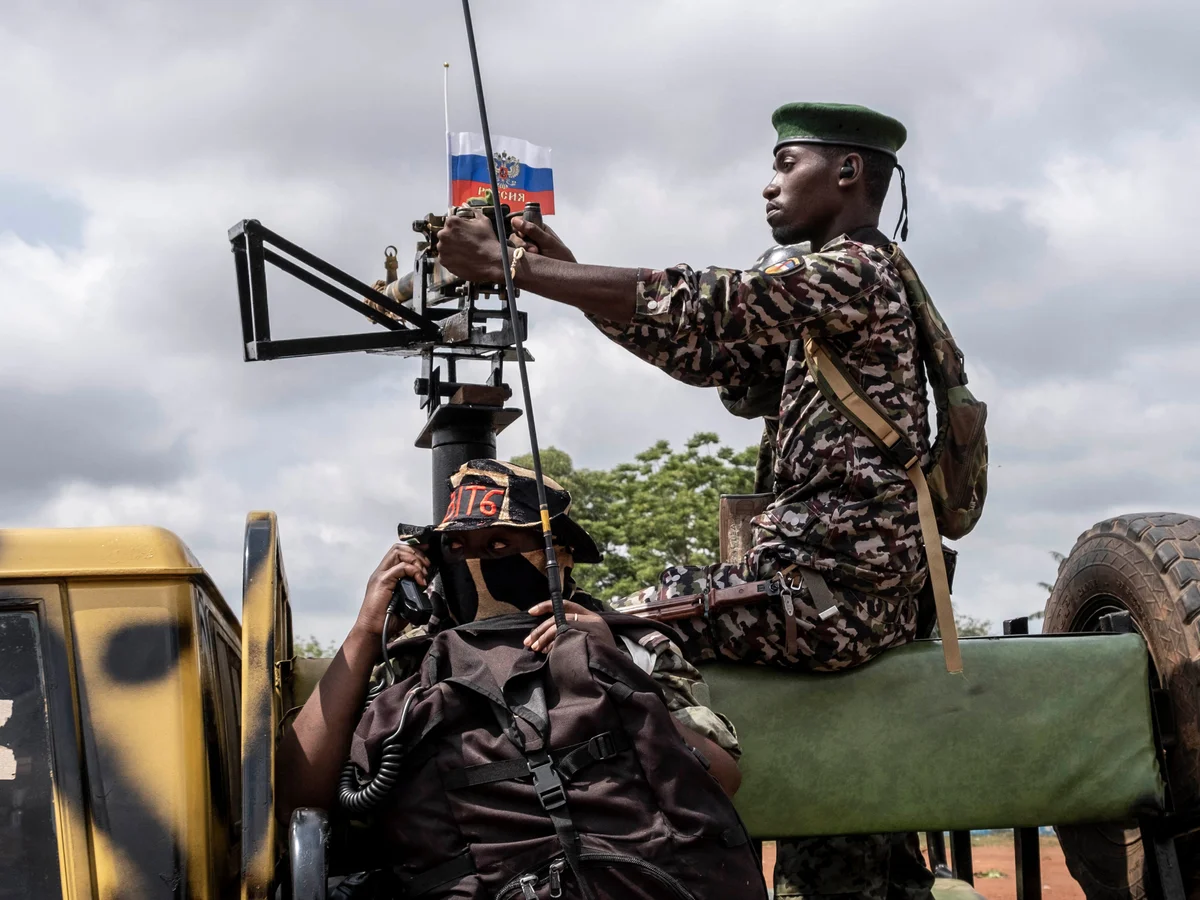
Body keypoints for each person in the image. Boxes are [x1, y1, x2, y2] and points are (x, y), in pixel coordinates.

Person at [435, 103, 936, 900]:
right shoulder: (845, 296)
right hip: (845, 588)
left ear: (846, 173)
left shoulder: (852, 271)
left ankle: (667, 856)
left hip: (832, 594)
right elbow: (709, 352)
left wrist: (512, 267)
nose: (769, 185)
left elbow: (710, 300)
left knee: (597, 629)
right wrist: (569, 271)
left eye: (786, 164)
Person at [277, 459, 742, 828]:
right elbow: (299, 799)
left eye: (500, 547)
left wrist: (610, 664)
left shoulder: (629, 643)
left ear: (559, 554)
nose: (477, 563)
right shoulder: (411, 661)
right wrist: (366, 632)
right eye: (459, 549)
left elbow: (720, 780)